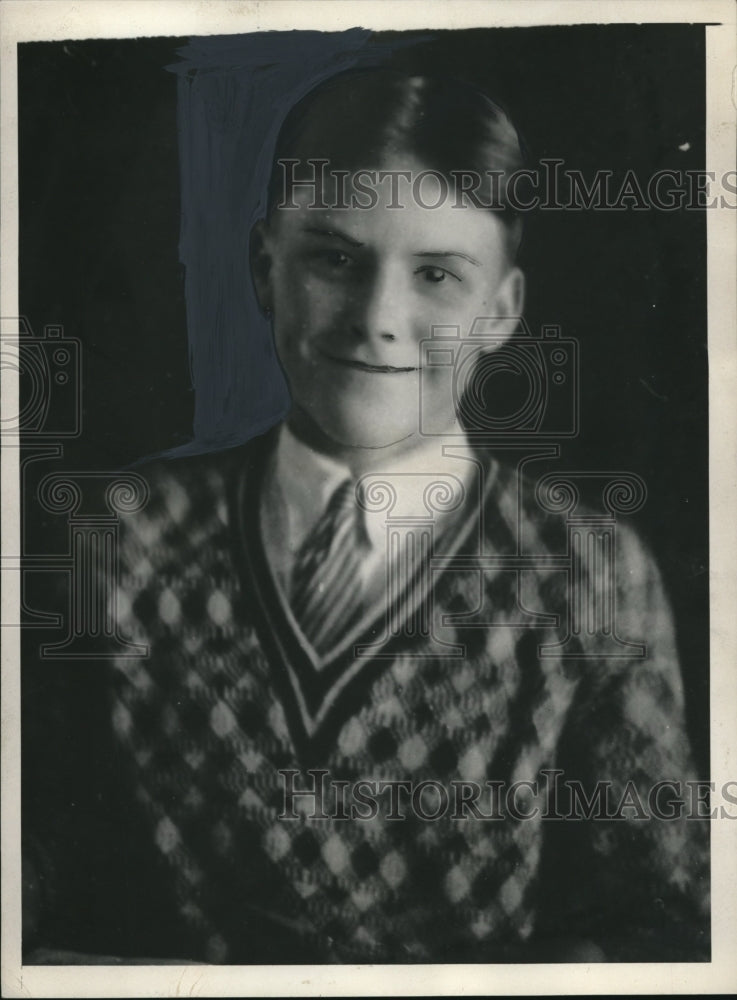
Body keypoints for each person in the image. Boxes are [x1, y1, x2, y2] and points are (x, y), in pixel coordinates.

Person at [23, 69, 709, 964]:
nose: (378, 319)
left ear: (500, 311)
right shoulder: (117, 541)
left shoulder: (586, 573)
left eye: (435, 274)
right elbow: (33, 891)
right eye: (333, 259)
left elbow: (661, 924)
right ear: (265, 270)